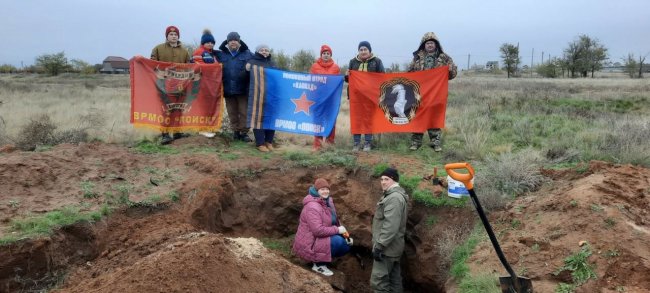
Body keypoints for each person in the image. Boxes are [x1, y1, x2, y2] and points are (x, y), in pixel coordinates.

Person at [407, 32, 457, 151]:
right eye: (427, 43)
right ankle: (415, 142)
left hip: (436, 93)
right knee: (418, 116)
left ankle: (435, 142)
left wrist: (450, 70)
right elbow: (409, 73)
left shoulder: (445, 58)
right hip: (420, 93)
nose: (429, 45)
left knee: (434, 116)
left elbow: (452, 74)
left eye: (432, 43)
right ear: (423, 45)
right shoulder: (417, 57)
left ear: (436, 45)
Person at [292, 178, 350, 276]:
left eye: (327, 189)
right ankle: (318, 265)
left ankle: (325, 260)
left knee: (346, 244)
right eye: (322, 189)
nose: (325, 191)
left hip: (320, 238)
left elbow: (333, 221)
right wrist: (337, 230)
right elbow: (317, 231)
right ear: (316, 190)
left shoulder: (327, 202)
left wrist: (345, 235)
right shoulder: (312, 206)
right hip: (310, 242)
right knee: (338, 241)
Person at [150, 25, 191, 145]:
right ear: (167, 36)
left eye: (175, 35)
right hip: (164, 86)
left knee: (179, 108)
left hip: (180, 85)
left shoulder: (184, 51)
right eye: (171, 34)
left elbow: (189, 66)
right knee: (166, 109)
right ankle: (165, 134)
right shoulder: (158, 49)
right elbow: (151, 64)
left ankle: (178, 132)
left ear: (178, 36)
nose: (173, 36)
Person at [371, 168, 409, 292]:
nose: (383, 182)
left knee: (379, 282)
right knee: (394, 280)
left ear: (394, 180)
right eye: (381, 179)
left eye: (387, 179)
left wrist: (380, 246)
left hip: (386, 249)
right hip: (393, 248)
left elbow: (390, 225)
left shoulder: (394, 198)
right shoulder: (394, 195)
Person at [347, 41, 385, 152]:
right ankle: (356, 143)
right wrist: (347, 76)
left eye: (365, 49)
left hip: (370, 96)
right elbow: (350, 79)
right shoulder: (352, 62)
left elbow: (382, 77)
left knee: (369, 119)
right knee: (357, 119)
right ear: (358, 51)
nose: (363, 52)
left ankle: (368, 143)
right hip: (356, 97)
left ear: (369, 51)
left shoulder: (377, 61)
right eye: (361, 50)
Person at [216, 32, 253, 142]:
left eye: (235, 40)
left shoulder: (247, 54)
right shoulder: (221, 54)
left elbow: (258, 63)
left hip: (243, 89)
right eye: (231, 40)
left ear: (239, 42)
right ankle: (235, 132)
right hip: (228, 89)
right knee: (232, 112)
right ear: (227, 42)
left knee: (244, 112)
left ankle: (244, 133)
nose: (233, 42)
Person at [245, 44, 277, 152]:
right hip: (257, 96)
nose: (264, 51)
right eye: (262, 50)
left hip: (271, 95)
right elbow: (243, 77)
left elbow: (278, 79)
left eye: (266, 50)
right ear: (258, 51)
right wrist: (246, 70)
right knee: (258, 118)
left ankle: (269, 141)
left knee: (271, 118)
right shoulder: (252, 62)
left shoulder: (272, 63)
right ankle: (260, 143)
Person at [309, 45, 340, 151]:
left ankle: (330, 143)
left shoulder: (335, 67)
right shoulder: (314, 66)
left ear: (331, 55)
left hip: (331, 99)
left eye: (328, 53)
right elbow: (311, 81)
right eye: (324, 53)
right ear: (321, 55)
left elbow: (337, 82)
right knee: (318, 120)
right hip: (318, 98)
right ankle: (317, 144)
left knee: (331, 120)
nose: (326, 55)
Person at [192, 28, 220, 138]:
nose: (210, 44)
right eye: (208, 42)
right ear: (203, 43)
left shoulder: (211, 54)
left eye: (212, 43)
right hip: (201, 84)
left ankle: (208, 127)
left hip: (211, 84)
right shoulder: (199, 52)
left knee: (209, 107)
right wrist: (215, 67)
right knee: (203, 107)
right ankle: (201, 129)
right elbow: (197, 66)